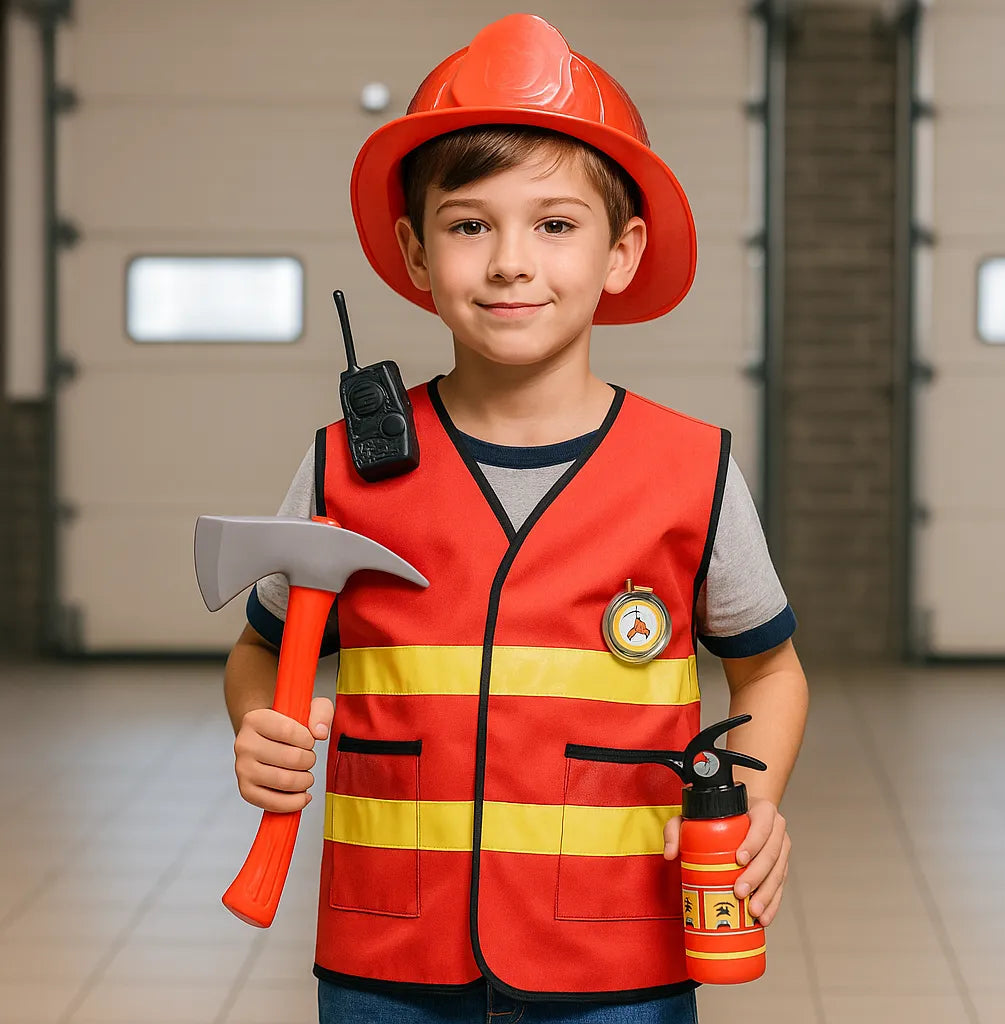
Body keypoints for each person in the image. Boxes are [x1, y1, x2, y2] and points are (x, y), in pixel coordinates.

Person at [223, 13, 808, 1024]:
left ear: (620, 251)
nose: (508, 263)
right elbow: (258, 655)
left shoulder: (692, 470)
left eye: (554, 223)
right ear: (413, 251)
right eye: (467, 224)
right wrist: (257, 727)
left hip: (617, 956)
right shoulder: (339, 468)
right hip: (388, 955)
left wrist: (755, 798)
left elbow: (769, 668)